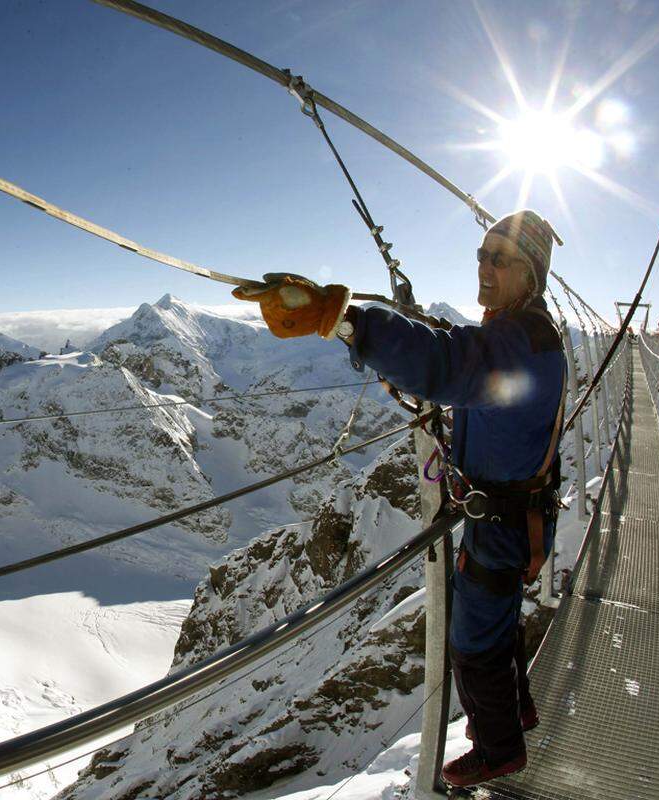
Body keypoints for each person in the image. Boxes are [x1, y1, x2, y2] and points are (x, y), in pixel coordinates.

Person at [233, 209, 566, 787]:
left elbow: (448, 363)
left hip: (504, 522)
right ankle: (518, 712)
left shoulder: (517, 343)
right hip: (515, 512)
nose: (485, 266)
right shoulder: (523, 331)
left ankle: (500, 751)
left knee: (472, 641)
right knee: (500, 619)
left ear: (530, 274)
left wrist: (348, 323)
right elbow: (462, 355)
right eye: (482, 255)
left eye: (501, 258)